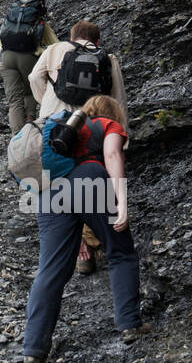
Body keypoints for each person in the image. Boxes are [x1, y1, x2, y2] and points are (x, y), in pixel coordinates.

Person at [23, 94, 149, 363]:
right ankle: (129, 325)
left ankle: (33, 352)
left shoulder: (61, 129)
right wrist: (122, 203)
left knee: (50, 270)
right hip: (90, 180)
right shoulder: (108, 125)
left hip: (48, 193)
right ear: (111, 113)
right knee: (121, 253)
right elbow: (113, 155)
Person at [30, 20, 128, 274]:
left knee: (56, 177)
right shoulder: (106, 57)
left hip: (54, 122)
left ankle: (78, 248)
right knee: (88, 176)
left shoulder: (54, 50)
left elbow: (33, 78)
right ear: (97, 40)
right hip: (90, 124)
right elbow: (116, 97)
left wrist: (47, 101)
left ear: (72, 36)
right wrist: (119, 132)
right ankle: (95, 240)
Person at [0, 0, 57, 134]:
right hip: (29, 58)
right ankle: (30, 127)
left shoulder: (9, 21)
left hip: (6, 59)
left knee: (14, 101)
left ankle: (17, 138)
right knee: (30, 92)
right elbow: (56, 45)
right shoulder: (40, 22)